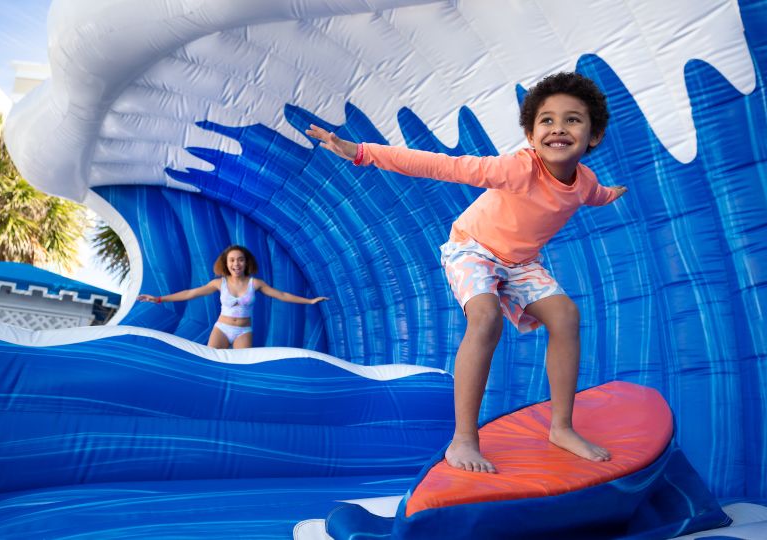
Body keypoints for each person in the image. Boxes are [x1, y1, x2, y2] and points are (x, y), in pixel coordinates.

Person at [306, 72, 627, 473]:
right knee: (486, 318)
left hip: (521, 260)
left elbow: (593, 195)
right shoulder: (518, 169)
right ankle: (463, 439)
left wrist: (611, 194)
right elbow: (442, 166)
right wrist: (360, 152)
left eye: (573, 120)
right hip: (471, 248)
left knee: (566, 316)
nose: (558, 128)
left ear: (593, 136)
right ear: (530, 134)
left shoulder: (586, 181)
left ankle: (561, 427)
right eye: (547, 120)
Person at [136, 245, 328, 349]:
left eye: (240, 259)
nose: (236, 263)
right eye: (232, 260)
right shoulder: (219, 283)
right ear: (226, 263)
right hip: (222, 328)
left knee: (239, 366)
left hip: (243, 331)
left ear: (246, 263)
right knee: (211, 361)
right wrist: (158, 299)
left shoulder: (256, 283)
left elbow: (282, 295)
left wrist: (310, 301)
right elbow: (190, 293)